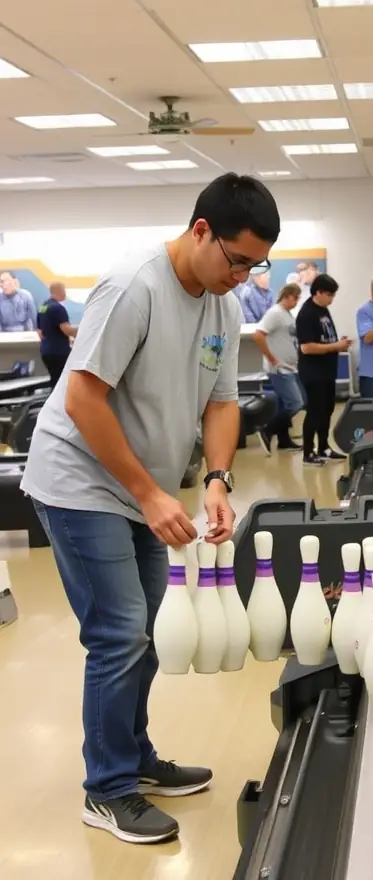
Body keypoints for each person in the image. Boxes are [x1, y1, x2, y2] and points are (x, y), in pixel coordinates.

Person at [20, 173, 280, 845]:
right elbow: (82, 398)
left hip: (141, 486)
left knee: (151, 631)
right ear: (201, 232)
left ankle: (133, 756)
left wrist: (217, 478)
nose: (245, 275)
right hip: (80, 481)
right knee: (119, 631)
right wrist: (148, 492)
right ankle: (105, 790)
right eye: (238, 259)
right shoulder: (133, 287)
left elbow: (221, 401)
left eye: (257, 264)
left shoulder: (221, 302)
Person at [296, 273, 350, 465]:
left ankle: (324, 447)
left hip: (327, 371)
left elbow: (324, 338)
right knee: (315, 411)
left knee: (327, 410)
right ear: (318, 292)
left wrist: (338, 342)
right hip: (313, 372)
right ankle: (308, 452)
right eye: (330, 295)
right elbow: (307, 347)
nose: (332, 299)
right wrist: (335, 347)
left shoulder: (324, 310)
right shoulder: (307, 313)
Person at [253, 282, 303, 451]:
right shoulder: (275, 313)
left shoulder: (287, 314)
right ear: (288, 296)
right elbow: (258, 335)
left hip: (290, 367)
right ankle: (267, 431)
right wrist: (271, 358)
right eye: (296, 298)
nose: (297, 301)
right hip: (279, 368)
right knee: (296, 403)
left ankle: (284, 440)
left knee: (284, 405)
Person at [36, 281, 78, 387]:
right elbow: (66, 329)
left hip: (46, 351)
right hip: (59, 352)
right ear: (59, 291)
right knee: (62, 383)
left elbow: (40, 332)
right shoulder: (58, 308)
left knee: (55, 381)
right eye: (64, 291)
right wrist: (83, 332)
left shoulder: (43, 307)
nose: (65, 293)